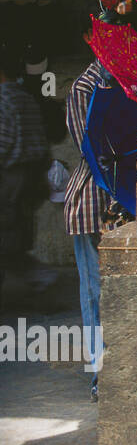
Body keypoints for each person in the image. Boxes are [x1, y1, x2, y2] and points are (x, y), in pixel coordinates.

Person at [65, 27, 113, 402]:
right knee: (96, 291)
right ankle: (100, 374)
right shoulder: (87, 86)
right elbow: (90, 149)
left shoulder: (134, 80)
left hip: (120, 194)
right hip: (93, 197)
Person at [0, 46, 50, 293]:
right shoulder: (25, 96)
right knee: (15, 236)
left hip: (10, 178)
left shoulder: (3, 99)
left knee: (7, 240)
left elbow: (2, 143)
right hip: (31, 176)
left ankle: (38, 277)